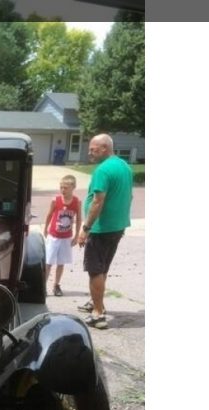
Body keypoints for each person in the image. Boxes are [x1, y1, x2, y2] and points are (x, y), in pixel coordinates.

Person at [76, 134, 133, 329]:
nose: (89, 152)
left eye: (93, 149)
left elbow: (97, 201)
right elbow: (129, 196)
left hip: (101, 229)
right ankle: (96, 301)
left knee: (95, 270)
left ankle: (98, 313)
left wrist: (85, 228)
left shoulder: (102, 170)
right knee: (102, 268)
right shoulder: (124, 166)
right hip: (117, 227)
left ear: (105, 149)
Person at [43, 174, 81, 297]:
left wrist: (76, 236)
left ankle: (56, 285)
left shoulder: (76, 202)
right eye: (61, 187)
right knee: (48, 262)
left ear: (73, 187)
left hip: (66, 237)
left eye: (66, 188)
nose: (63, 190)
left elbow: (79, 219)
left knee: (61, 262)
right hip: (54, 235)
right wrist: (45, 228)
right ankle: (42, 286)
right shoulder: (56, 200)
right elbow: (49, 215)